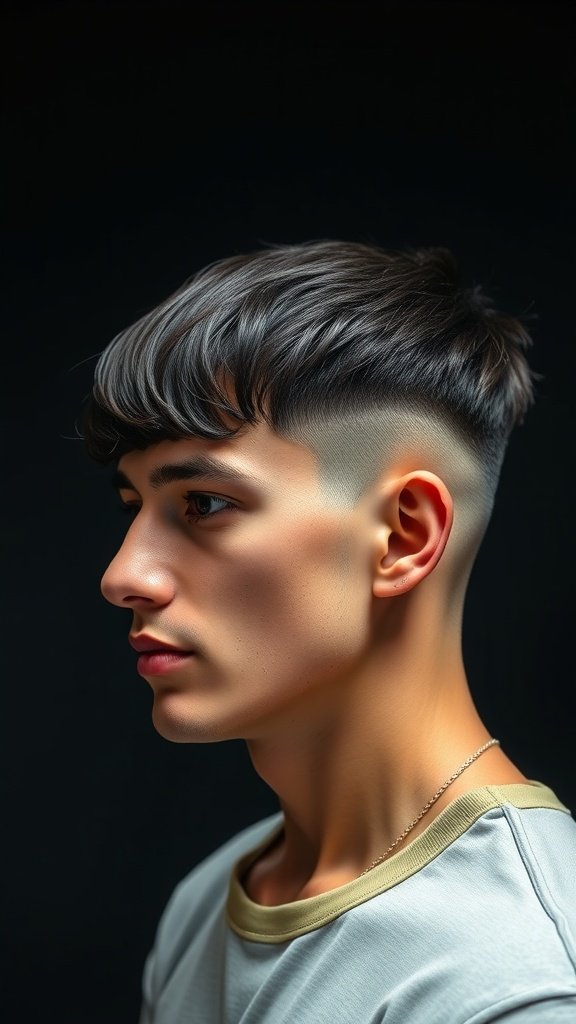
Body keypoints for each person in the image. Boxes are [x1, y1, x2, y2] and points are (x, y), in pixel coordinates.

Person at [82, 240, 576, 1022]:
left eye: (203, 504)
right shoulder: (208, 902)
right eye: (131, 506)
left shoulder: (517, 982)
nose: (124, 575)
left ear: (403, 536)